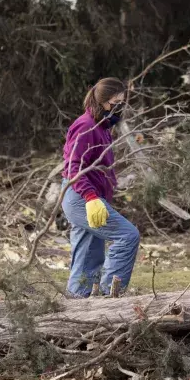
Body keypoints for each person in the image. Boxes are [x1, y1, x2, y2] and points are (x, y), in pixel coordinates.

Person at [61, 77, 140, 298]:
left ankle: (77, 304)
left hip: (87, 196)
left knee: (89, 254)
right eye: (115, 102)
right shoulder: (86, 126)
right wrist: (91, 197)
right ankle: (109, 297)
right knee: (127, 236)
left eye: (122, 102)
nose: (119, 107)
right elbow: (73, 166)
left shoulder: (102, 126)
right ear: (102, 101)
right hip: (80, 195)